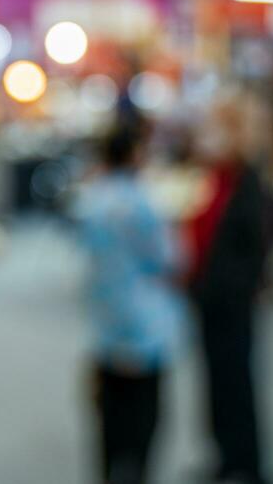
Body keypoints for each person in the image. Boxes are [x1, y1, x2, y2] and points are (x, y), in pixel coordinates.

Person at [76, 120, 184, 484]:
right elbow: (169, 258)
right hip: (145, 328)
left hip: (106, 325)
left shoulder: (91, 200)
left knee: (109, 424)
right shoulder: (141, 204)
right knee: (143, 423)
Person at [186, 91, 269, 484]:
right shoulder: (217, 177)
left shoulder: (246, 180)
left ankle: (246, 463)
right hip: (208, 297)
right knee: (216, 383)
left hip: (230, 300)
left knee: (238, 382)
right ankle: (224, 456)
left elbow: (251, 249)